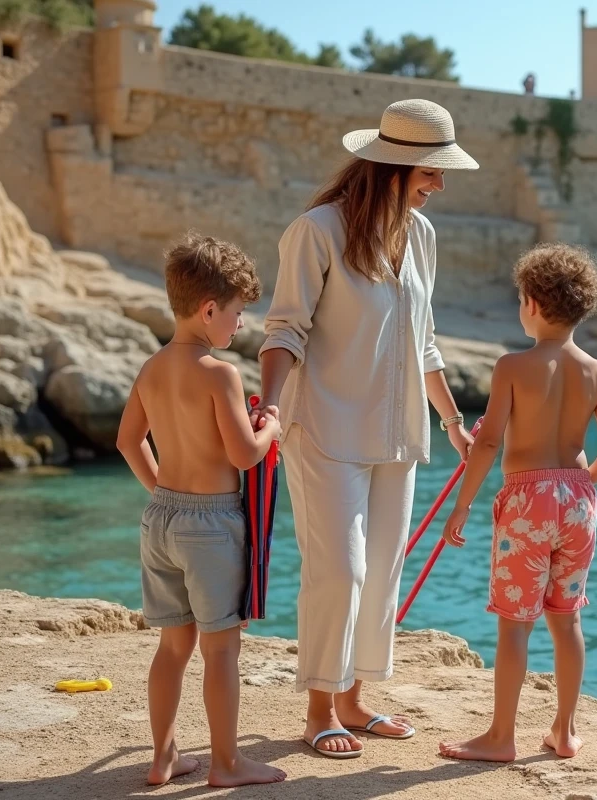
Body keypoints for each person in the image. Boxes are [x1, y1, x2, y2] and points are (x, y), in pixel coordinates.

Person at [254, 99, 479, 758]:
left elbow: (425, 341)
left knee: (382, 571)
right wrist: (268, 407)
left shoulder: (422, 238)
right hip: (323, 425)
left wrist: (454, 423)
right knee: (340, 571)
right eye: (431, 172)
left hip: (398, 432)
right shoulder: (316, 231)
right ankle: (319, 707)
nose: (439, 185)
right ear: (395, 166)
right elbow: (283, 328)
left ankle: (353, 700)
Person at [436, 243, 597, 762]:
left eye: (520, 299)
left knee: (514, 625)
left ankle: (502, 737)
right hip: (579, 500)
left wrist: (462, 505)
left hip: (526, 502)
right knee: (566, 620)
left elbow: (491, 443)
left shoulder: (512, 366)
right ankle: (564, 731)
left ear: (533, 304)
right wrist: (581, 483)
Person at [116, 234, 286, 787]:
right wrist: (272, 428)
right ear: (210, 309)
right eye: (237, 314)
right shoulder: (221, 373)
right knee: (221, 651)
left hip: (162, 518)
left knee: (172, 645)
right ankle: (226, 763)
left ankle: (163, 757)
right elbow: (243, 455)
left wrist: (161, 489)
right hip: (212, 525)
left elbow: (127, 441)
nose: (239, 325)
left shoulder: (151, 367)